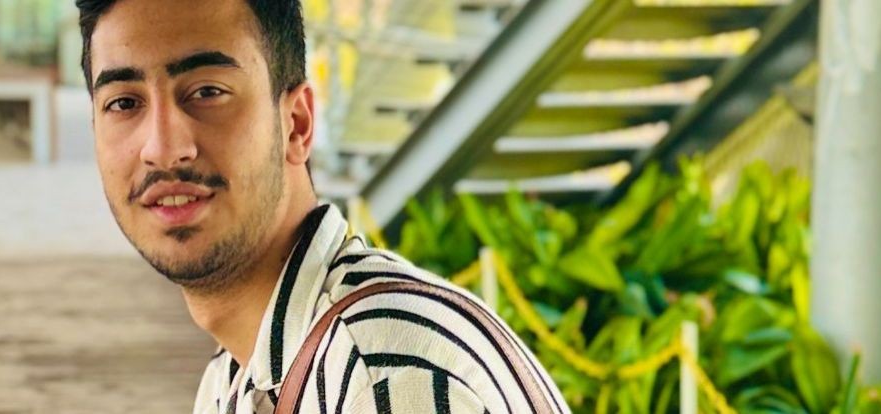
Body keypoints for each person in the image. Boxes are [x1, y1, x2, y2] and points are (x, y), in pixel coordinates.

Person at [78, 0, 571, 412]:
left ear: (296, 124)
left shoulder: (383, 377)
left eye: (208, 92)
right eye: (124, 103)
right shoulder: (239, 373)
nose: (163, 148)